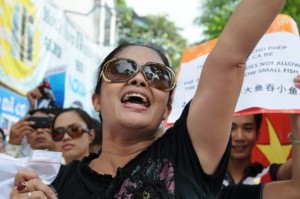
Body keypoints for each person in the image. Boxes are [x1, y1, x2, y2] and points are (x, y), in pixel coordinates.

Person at [10, 0, 293, 198]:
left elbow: (231, 57)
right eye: (121, 69)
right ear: (96, 100)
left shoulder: (189, 153)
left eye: (157, 75)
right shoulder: (52, 182)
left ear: (167, 107)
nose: (139, 79)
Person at [224, 114, 292, 186]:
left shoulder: (267, 174)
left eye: (248, 128)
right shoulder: (211, 179)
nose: (239, 137)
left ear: (257, 135)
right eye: (231, 128)